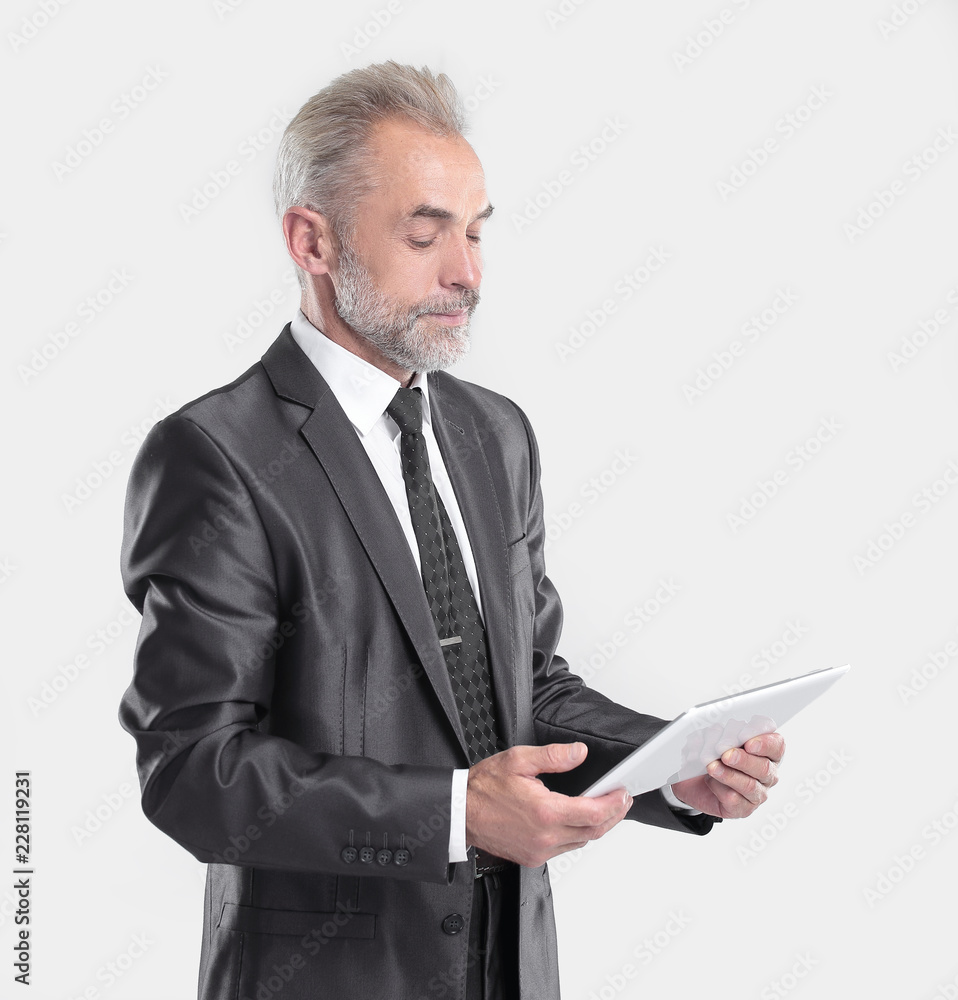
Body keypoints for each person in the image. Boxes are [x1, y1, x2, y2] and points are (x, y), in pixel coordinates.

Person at [118, 61, 784, 1000]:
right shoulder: (217, 455)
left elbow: (523, 689)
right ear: (313, 240)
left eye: (474, 233)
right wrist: (459, 814)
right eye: (425, 234)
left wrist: (670, 768)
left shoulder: (493, 432)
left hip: (513, 968)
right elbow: (193, 771)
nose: (466, 272)